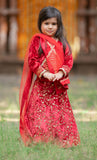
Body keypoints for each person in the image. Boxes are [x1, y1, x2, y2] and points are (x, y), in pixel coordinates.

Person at [19, 6, 80, 148]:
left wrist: (60, 73)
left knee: (59, 114)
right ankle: (40, 140)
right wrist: (45, 73)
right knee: (40, 113)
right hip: (41, 86)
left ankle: (62, 140)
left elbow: (68, 61)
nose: (50, 27)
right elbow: (32, 60)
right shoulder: (37, 41)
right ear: (40, 23)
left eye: (54, 24)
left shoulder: (62, 42)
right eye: (46, 23)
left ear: (59, 25)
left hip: (57, 86)